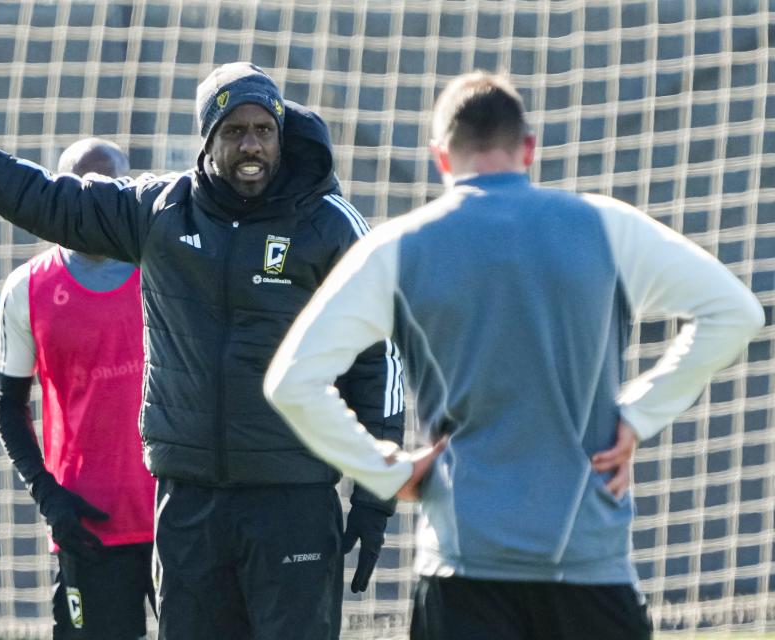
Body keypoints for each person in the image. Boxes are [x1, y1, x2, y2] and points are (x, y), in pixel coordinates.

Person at [0, 61, 405, 640]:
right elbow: (42, 196)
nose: (251, 145)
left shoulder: (329, 224)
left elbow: (379, 362)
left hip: (293, 504)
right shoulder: (158, 210)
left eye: (264, 130)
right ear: (208, 138)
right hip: (189, 505)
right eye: (234, 132)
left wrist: (373, 500)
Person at [264, 71, 765, 640]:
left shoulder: (397, 248)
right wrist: (638, 416)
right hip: (589, 570)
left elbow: (291, 381)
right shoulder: (608, 226)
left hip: (462, 569)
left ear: (439, 158)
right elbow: (737, 312)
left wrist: (387, 470)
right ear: (529, 147)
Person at [0, 138, 155, 639]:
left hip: (184, 516)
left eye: (110, 188)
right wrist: (49, 496)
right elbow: (8, 407)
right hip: (89, 524)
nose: (95, 203)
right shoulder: (27, 288)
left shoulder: (169, 270)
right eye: (80, 189)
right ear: (56, 194)